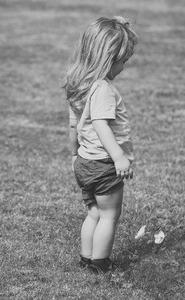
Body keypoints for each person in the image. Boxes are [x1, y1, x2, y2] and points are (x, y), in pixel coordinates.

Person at [63, 16, 138, 274]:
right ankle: (100, 263)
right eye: (122, 61)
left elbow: (74, 125)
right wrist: (118, 157)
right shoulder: (102, 89)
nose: (124, 68)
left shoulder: (79, 84)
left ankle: (86, 258)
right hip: (103, 164)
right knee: (109, 215)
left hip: (83, 162)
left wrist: (74, 153)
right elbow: (101, 125)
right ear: (107, 58)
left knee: (94, 212)